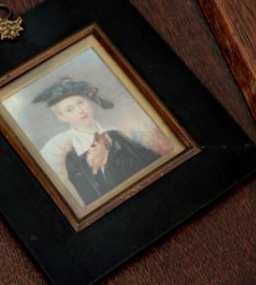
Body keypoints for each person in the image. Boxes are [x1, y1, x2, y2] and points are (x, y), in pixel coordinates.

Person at [33, 78, 161, 206]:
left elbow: (153, 163)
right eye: (69, 109)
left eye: (81, 102)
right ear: (61, 117)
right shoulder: (71, 157)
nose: (80, 110)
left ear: (88, 101)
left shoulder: (116, 136)